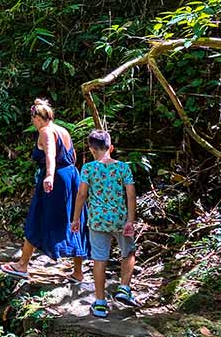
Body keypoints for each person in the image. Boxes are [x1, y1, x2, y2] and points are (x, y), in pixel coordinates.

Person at [1, 99, 89, 281]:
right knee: (74, 218)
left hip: (55, 179)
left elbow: (50, 155)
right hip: (71, 176)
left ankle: (22, 265)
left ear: (37, 117)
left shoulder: (46, 131)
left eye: (32, 118)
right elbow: (71, 156)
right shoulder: (62, 130)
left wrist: (49, 175)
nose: (32, 122)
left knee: (38, 217)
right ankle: (78, 273)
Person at [71, 129, 138, 318]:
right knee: (129, 252)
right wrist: (131, 220)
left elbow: (82, 195)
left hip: (98, 221)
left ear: (91, 149)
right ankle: (124, 287)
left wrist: (75, 219)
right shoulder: (123, 167)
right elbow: (131, 194)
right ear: (111, 147)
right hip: (120, 220)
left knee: (99, 259)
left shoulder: (88, 168)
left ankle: (100, 303)